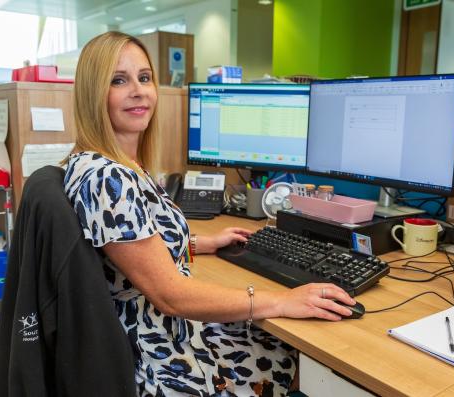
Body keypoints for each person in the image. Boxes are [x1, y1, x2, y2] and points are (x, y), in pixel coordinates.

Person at [63, 31, 356, 397]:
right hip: (161, 357)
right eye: (119, 80)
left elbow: (132, 250)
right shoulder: (107, 177)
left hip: (165, 331)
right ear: (93, 93)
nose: (139, 90)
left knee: (293, 347)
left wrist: (199, 242)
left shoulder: (112, 165)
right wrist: (282, 299)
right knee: (307, 358)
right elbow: (171, 295)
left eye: (144, 77)